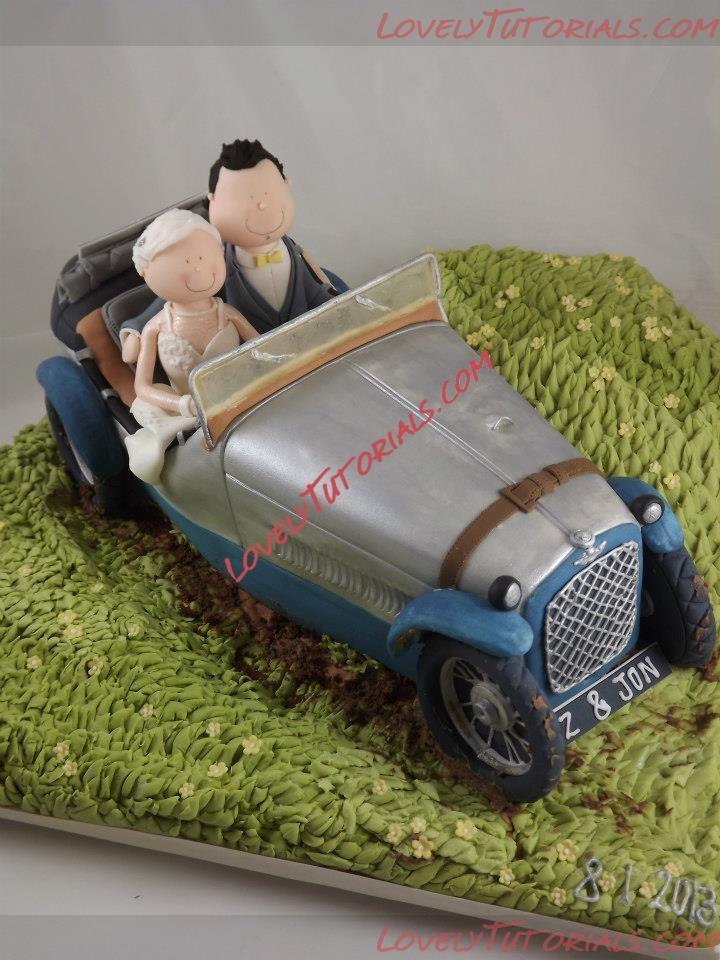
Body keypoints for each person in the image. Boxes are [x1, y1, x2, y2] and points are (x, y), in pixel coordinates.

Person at [120, 139, 337, 363]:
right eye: (246, 199)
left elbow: (312, 291)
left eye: (269, 193)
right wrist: (138, 329)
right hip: (253, 359)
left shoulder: (292, 249)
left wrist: (339, 306)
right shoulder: (214, 260)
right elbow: (178, 295)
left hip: (310, 344)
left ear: (286, 184)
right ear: (212, 201)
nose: (262, 205)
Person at [124, 208, 258, 483]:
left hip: (242, 396)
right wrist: (181, 403)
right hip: (190, 412)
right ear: (145, 271)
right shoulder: (156, 327)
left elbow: (260, 345)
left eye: (204, 257)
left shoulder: (227, 314)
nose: (198, 267)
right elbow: (143, 387)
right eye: (187, 261)